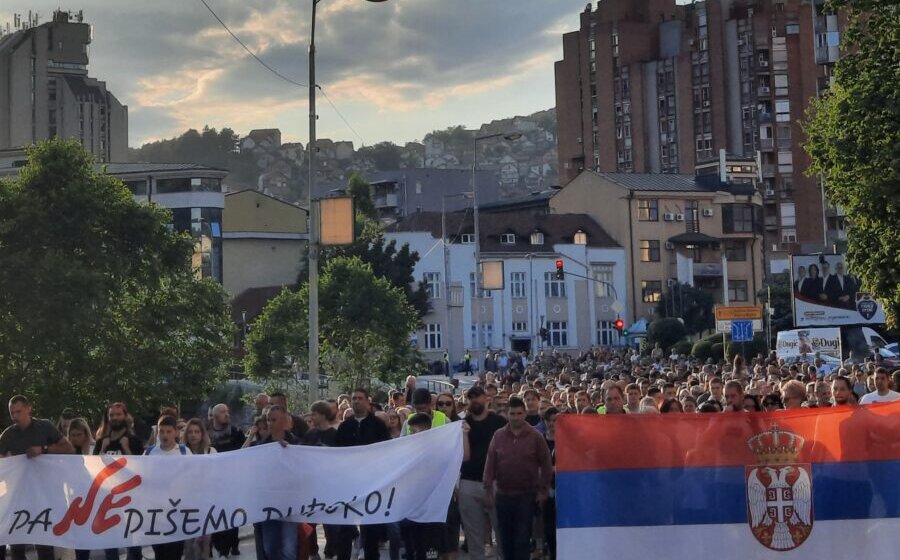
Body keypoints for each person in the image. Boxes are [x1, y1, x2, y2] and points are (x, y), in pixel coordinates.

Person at [0, 396, 74, 560]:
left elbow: (68, 448)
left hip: (43, 496)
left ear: (29, 408)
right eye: (12, 413)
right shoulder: (8, 435)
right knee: (17, 548)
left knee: (44, 546)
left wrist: (44, 449)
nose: (15, 416)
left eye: (18, 411)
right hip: (18, 498)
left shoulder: (45, 427)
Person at [483, 396, 553, 560]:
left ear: (525, 414)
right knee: (505, 538)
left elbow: (546, 464)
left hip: (527, 495)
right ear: (507, 414)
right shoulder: (498, 436)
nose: (515, 417)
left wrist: (543, 490)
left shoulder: (536, 436)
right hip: (503, 495)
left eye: (519, 413)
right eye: (512, 413)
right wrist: (488, 490)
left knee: (522, 538)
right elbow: (490, 463)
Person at [335, 389, 390, 560]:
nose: (356, 401)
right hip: (348, 482)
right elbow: (337, 454)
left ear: (368, 401)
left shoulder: (378, 425)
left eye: (360, 398)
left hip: (372, 482)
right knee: (345, 525)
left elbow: (386, 451)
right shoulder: (344, 427)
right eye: (353, 399)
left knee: (370, 526)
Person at [458, 386, 507, 560]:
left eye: (477, 397)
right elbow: (464, 457)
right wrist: (463, 434)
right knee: (473, 535)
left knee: (502, 531)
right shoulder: (462, 424)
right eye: (471, 398)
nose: (474, 401)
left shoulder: (499, 422)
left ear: (486, 398)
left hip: (496, 483)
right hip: (469, 483)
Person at [252, 406, 299, 560]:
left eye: (274, 419)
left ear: (285, 421)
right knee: (270, 548)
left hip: (290, 505)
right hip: (268, 505)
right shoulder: (260, 447)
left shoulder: (297, 445)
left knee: (289, 549)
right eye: (268, 420)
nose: (270, 423)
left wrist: (290, 452)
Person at [144, 416, 190, 560]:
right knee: (159, 553)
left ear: (176, 432)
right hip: (156, 512)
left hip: (178, 511)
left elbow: (194, 477)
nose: (164, 435)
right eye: (161, 431)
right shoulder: (150, 453)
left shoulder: (184, 452)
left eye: (168, 431)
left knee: (174, 552)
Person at [204, 404, 244, 557]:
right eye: (222, 412)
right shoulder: (206, 433)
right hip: (212, 482)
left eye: (228, 411)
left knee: (231, 515)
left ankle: (229, 546)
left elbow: (244, 452)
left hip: (231, 481)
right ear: (214, 416)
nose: (226, 414)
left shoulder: (236, 432)